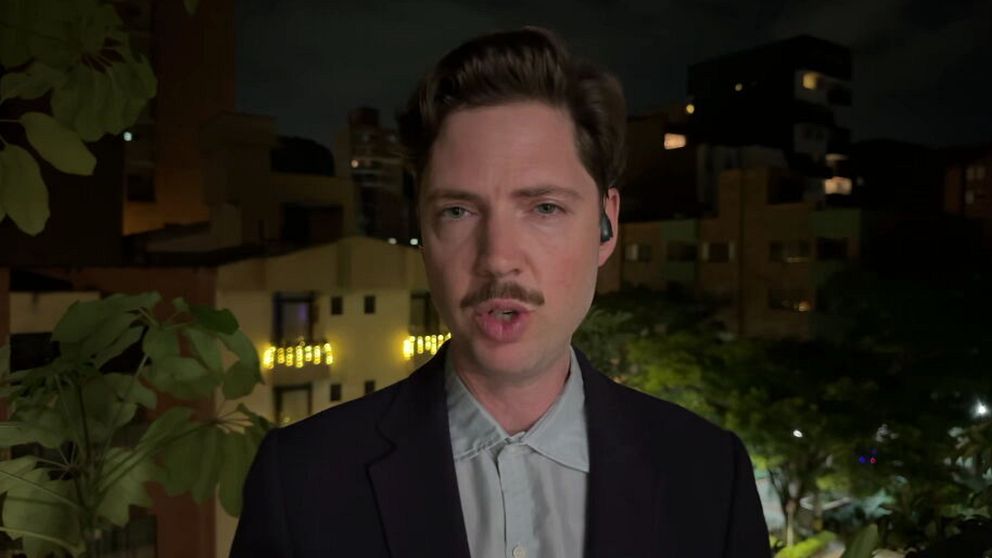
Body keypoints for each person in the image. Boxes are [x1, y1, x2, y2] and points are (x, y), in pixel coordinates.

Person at [230, 27, 770, 558]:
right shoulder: (300, 482)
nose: (497, 257)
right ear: (422, 230)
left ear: (606, 226)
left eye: (544, 208)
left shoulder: (709, 475)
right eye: (458, 211)